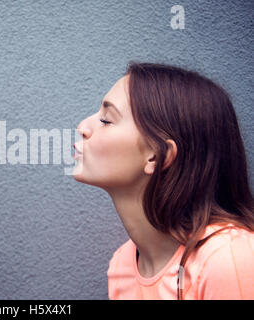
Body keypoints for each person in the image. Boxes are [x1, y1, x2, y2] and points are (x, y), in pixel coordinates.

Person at [73, 62, 254, 300]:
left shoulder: (230, 257)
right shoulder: (121, 266)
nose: (83, 127)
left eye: (106, 120)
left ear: (157, 156)